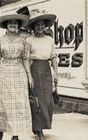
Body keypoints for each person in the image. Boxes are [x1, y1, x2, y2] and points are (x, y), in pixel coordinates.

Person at [0, 13, 33, 140]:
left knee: (17, 104)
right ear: (6, 25)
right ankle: (1, 128)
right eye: (10, 22)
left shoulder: (23, 41)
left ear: (18, 25)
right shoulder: (0, 40)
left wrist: (29, 76)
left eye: (15, 23)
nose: (13, 24)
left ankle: (15, 134)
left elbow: (25, 59)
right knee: (2, 103)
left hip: (19, 73)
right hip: (4, 73)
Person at [25, 10, 58, 140]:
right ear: (33, 27)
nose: (40, 27)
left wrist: (56, 73)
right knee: (37, 100)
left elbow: (53, 57)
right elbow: (26, 59)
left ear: (45, 26)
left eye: (42, 24)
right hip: (35, 68)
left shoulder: (49, 39)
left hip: (46, 70)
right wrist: (29, 76)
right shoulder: (29, 40)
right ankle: (38, 129)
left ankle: (43, 125)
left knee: (48, 100)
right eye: (37, 25)